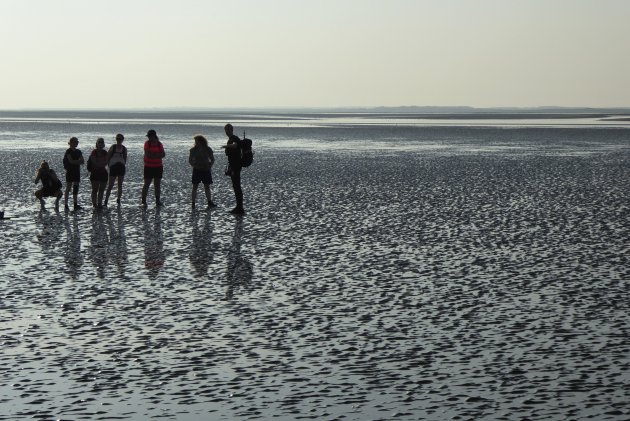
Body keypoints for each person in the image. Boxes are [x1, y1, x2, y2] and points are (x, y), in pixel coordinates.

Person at [221, 123, 245, 214]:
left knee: (237, 185)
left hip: (236, 165)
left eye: (228, 130)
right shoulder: (231, 138)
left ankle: (240, 207)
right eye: (226, 130)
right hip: (233, 164)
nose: (227, 132)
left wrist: (226, 146)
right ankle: (238, 206)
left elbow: (235, 145)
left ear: (232, 130)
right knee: (235, 185)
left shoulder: (234, 138)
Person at [189, 134, 217, 209]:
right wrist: (194, 165)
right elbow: (190, 160)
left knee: (207, 186)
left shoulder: (208, 149)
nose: (196, 143)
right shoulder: (193, 150)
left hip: (206, 170)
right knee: (195, 186)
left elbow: (212, 159)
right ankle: (193, 203)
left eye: (197, 141)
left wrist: (210, 165)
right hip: (197, 170)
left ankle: (209, 202)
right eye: (195, 141)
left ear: (202, 141)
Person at [142, 129, 165, 207]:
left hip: (158, 167)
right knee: (147, 184)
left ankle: (157, 201)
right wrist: (157, 155)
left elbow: (163, 154)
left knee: (157, 184)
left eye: (150, 136)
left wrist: (154, 155)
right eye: (148, 136)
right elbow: (148, 154)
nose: (149, 138)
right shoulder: (147, 144)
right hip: (148, 167)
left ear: (154, 136)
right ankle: (143, 201)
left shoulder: (159, 144)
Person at [105, 133, 128, 206]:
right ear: (116, 139)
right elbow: (108, 156)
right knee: (110, 185)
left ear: (122, 140)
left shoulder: (124, 148)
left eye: (120, 139)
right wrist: (109, 165)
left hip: (121, 167)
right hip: (113, 167)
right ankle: (106, 200)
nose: (119, 140)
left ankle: (118, 199)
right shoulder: (113, 147)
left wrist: (122, 163)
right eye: (118, 139)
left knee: (120, 185)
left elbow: (125, 158)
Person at [63, 137, 85, 210]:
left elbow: (83, 161)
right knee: (68, 187)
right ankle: (66, 204)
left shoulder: (78, 151)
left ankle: (75, 204)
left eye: (77, 142)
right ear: (71, 142)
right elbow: (70, 161)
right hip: (69, 171)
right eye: (75, 142)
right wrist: (77, 161)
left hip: (76, 171)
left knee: (76, 187)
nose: (76, 143)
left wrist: (75, 161)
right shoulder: (68, 151)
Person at [87, 138, 109, 209]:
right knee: (95, 189)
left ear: (103, 144)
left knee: (102, 189)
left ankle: (99, 203)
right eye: (99, 142)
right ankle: (94, 204)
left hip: (103, 173)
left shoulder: (105, 152)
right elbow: (94, 161)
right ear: (96, 144)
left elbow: (106, 161)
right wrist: (100, 164)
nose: (100, 143)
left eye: (102, 142)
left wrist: (100, 164)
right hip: (95, 173)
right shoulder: (94, 152)